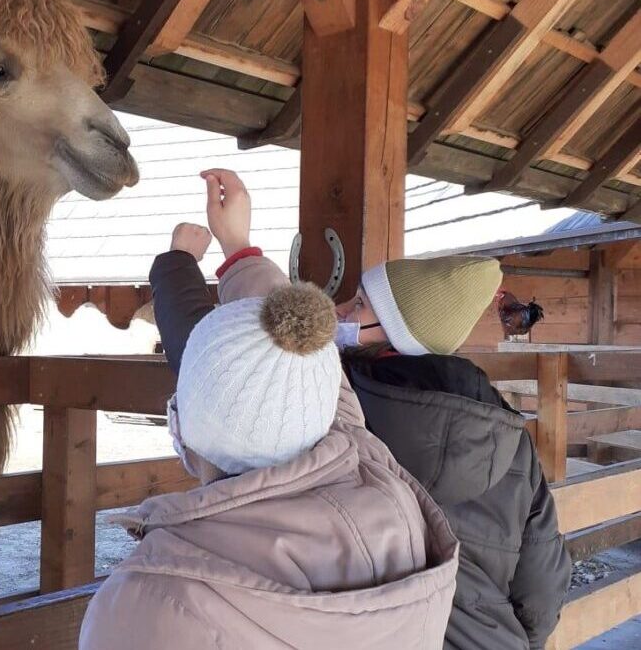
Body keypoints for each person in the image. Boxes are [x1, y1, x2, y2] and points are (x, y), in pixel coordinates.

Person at [146, 168, 571, 650]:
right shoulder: (509, 434)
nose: (340, 309)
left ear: (397, 334)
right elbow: (543, 590)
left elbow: (224, 373)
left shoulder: (342, 404)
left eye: (361, 306)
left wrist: (190, 262)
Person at [78, 238, 459, 649]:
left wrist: (194, 259)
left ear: (187, 429)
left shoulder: (145, 604)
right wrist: (239, 251)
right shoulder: (389, 495)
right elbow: (294, 352)